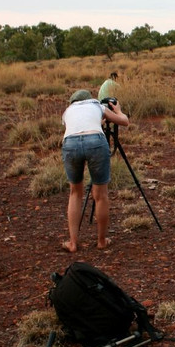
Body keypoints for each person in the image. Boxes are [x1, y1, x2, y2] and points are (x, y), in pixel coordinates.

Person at [61, 88, 129, 252]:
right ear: (90, 99)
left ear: (73, 102)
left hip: (70, 143)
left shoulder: (67, 111)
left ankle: (73, 243)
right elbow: (124, 121)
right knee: (101, 195)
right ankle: (101, 241)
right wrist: (118, 111)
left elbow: (80, 127)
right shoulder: (97, 105)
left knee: (75, 193)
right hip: (96, 142)